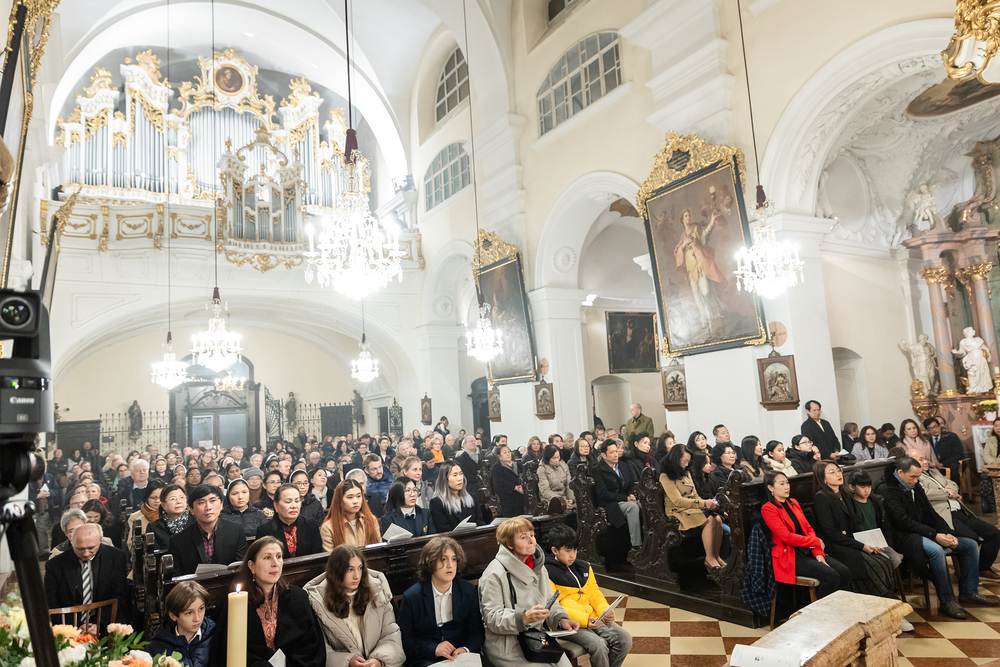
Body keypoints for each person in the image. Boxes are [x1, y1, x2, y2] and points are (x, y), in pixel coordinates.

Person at [880, 457, 996, 619]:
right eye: (913, 477)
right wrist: (935, 535)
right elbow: (903, 522)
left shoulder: (914, 485)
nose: (916, 481)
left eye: (918, 477)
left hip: (924, 531)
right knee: (936, 551)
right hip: (905, 536)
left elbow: (931, 513)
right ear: (900, 473)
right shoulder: (887, 490)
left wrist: (946, 532)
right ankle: (947, 600)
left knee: (969, 544)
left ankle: (969, 592)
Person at [210, 537, 327, 667]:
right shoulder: (237, 603)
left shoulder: (297, 597)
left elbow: (311, 646)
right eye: (267, 557)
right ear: (252, 566)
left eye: (279, 556)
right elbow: (228, 653)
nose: (275, 563)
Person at [479, 518, 579, 667]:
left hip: (537, 638)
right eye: (523, 537)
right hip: (508, 645)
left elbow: (550, 603)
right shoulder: (494, 574)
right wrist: (523, 618)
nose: (531, 541)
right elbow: (492, 618)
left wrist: (561, 619)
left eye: (532, 535)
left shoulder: (539, 567)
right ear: (509, 544)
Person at [544, 525, 632, 667]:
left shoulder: (584, 567)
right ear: (555, 550)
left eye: (575, 550)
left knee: (625, 639)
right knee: (599, 644)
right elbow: (555, 606)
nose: (573, 555)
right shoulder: (547, 572)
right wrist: (584, 619)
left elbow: (595, 594)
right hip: (568, 623)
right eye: (568, 551)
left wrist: (604, 611)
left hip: (594, 618)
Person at [305, 544, 405, 667]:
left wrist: (379, 661)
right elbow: (322, 650)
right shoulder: (318, 601)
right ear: (337, 571)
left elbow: (390, 635)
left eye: (360, 568)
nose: (357, 576)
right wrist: (349, 661)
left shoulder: (378, 592)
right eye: (350, 569)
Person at [761, 470, 851, 604]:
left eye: (787, 483)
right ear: (770, 488)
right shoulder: (768, 508)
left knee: (844, 572)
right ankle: (819, 612)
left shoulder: (793, 503)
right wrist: (815, 542)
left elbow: (808, 529)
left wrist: (817, 551)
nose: (787, 487)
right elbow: (786, 537)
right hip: (789, 555)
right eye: (782, 484)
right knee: (832, 576)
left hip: (807, 549)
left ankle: (836, 607)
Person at [909, 449, 1000, 580]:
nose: (925, 462)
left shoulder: (934, 472)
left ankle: (983, 567)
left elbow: (952, 483)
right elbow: (924, 493)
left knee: (994, 533)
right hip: (946, 515)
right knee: (972, 539)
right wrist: (947, 493)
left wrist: (951, 490)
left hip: (960, 511)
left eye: (926, 458)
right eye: (921, 459)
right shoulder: (914, 477)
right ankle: (965, 574)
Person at [398, 537, 485, 666]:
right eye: (443, 559)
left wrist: (465, 649)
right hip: (426, 658)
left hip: (460, 655)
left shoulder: (468, 590)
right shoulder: (412, 596)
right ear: (430, 562)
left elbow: (477, 632)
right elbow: (406, 641)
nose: (450, 565)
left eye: (454, 559)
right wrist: (434, 649)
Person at [811, 461, 894, 597]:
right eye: (832, 472)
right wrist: (861, 546)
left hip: (850, 540)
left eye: (838, 470)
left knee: (884, 561)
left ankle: (883, 597)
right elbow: (830, 532)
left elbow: (856, 522)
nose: (838, 474)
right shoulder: (821, 497)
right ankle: (875, 598)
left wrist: (867, 542)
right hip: (835, 544)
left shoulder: (844, 494)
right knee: (875, 565)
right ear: (823, 478)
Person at [45, 523, 131, 635]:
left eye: (91, 548)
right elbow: (52, 603)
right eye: (80, 549)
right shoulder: (54, 565)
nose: (86, 554)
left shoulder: (117, 557)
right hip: (69, 626)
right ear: (72, 542)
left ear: (100, 540)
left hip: (106, 622)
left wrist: (98, 625)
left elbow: (118, 597)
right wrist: (76, 627)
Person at [660, 446, 725, 569]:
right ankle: (709, 558)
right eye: (683, 461)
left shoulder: (687, 473)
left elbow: (695, 495)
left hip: (691, 508)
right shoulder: (665, 476)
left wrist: (707, 503)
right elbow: (677, 501)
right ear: (675, 458)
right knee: (709, 520)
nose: (686, 464)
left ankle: (717, 556)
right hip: (678, 511)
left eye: (688, 461)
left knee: (717, 519)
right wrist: (703, 504)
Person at [169, 485, 248, 576]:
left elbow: (241, 567)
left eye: (213, 501)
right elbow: (177, 576)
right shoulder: (178, 541)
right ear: (191, 510)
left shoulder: (236, 531)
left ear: (221, 505)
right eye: (201, 502)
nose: (208, 507)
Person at [146, 581, 216, 667]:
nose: (197, 618)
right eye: (189, 613)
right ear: (173, 616)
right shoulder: (156, 646)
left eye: (201, 608)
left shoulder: (214, 634)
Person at [592, 439, 641, 548]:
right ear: (604, 455)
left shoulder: (622, 465)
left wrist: (631, 494)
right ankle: (636, 546)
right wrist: (625, 498)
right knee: (632, 507)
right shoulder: (597, 470)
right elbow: (603, 493)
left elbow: (630, 484)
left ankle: (650, 541)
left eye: (616, 451)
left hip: (625, 499)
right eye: (612, 452)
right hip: (610, 503)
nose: (616, 454)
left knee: (644, 505)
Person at [256, 484, 323, 558]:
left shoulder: (311, 525)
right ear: (276, 505)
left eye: (297, 501)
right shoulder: (264, 531)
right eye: (288, 502)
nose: (294, 506)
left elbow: (317, 557)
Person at [321, 478, 382, 550]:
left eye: (359, 496)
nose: (355, 501)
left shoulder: (371, 520)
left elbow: (379, 549)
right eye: (350, 497)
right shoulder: (328, 527)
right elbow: (331, 556)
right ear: (339, 500)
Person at [430, 461, 476, 532]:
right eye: (455, 475)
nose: (460, 478)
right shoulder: (437, 503)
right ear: (445, 479)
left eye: (461, 474)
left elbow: (480, 524)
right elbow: (443, 530)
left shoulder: (472, 497)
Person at [151, 484, 193, 550]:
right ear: (163, 505)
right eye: (173, 499)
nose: (178, 501)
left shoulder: (196, 522)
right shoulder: (154, 527)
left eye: (181, 497)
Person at [923, 417, 965, 482]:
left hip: (950, 463)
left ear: (939, 426)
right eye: (930, 428)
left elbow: (958, 454)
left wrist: (943, 464)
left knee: (953, 472)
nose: (934, 430)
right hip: (933, 466)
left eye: (935, 426)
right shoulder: (927, 441)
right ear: (927, 430)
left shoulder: (951, 437)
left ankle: (954, 488)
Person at [491, 444, 524, 518]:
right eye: (504, 452)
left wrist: (522, 487)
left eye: (509, 452)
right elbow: (499, 483)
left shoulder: (519, 465)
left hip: (521, 494)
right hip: (507, 496)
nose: (508, 454)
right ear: (499, 456)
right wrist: (515, 487)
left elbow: (524, 477)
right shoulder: (497, 467)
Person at [538, 445, 575, 510]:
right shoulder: (542, 469)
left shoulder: (563, 465)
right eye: (554, 458)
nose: (556, 460)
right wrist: (561, 500)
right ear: (548, 458)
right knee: (559, 507)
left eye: (558, 457)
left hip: (565, 497)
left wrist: (571, 498)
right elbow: (545, 490)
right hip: (550, 499)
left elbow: (569, 484)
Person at [128, 479, 164, 544]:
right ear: (147, 497)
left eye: (161, 498)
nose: (157, 501)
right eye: (153, 498)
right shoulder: (135, 517)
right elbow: (131, 544)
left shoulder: (171, 514)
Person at [984, 418, 1000, 514]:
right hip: (992, 466)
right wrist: (993, 463)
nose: (998, 428)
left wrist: (997, 462)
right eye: (996, 426)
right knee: (984, 476)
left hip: (997, 465)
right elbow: (986, 455)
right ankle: (989, 506)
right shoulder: (990, 439)